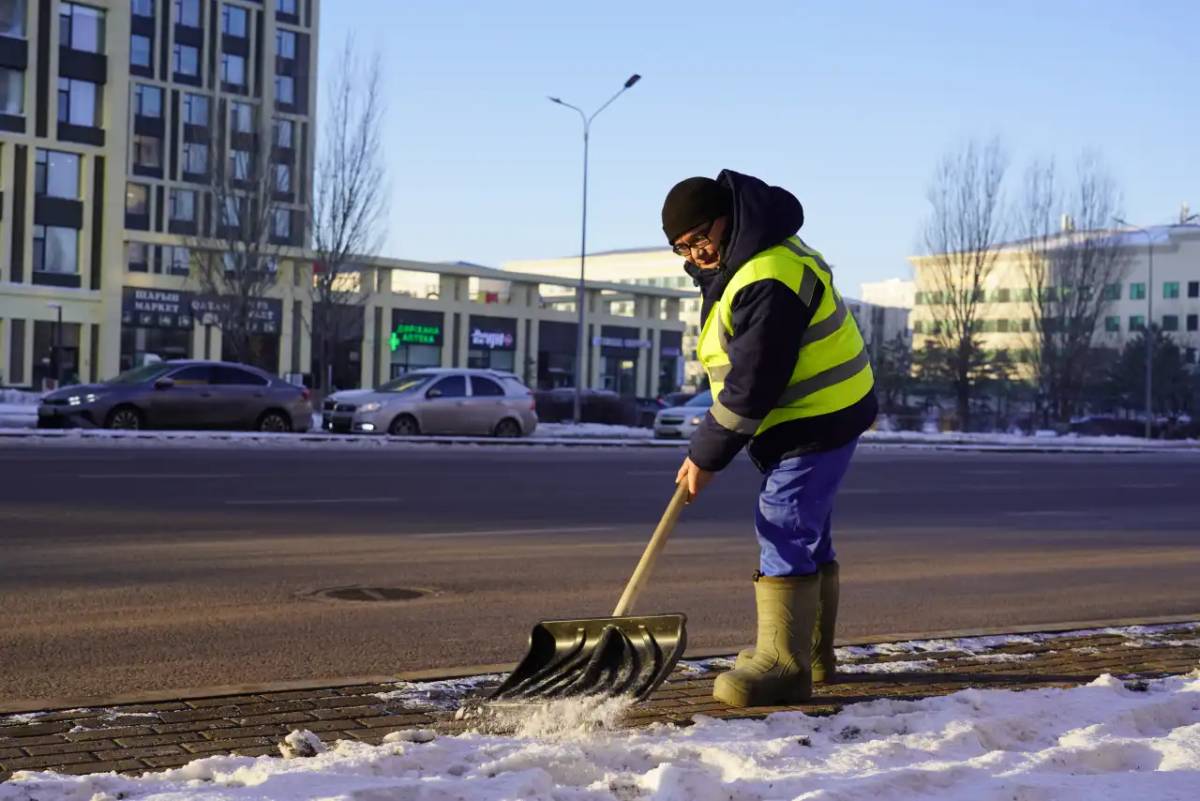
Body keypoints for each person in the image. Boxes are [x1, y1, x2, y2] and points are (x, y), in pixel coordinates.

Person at [661, 171, 878, 708]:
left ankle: (784, 665)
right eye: (682, 247)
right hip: (809, 412)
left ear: (727, 220)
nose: (696, 253)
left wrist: (705, 455)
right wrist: (706, 450)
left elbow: (753, 383)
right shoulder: (740, 262)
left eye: (700, 238)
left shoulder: (768, 275)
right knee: (806, 530)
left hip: (820, 414)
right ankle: (810, 654)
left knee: (782, 519)